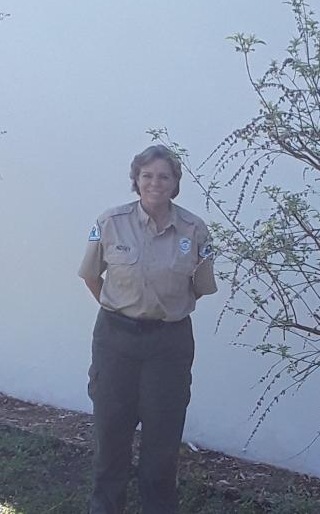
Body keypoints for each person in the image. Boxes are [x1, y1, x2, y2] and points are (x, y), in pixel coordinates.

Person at [78, 144, 217, 514]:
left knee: (162, 442)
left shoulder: (195, 229)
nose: (155, 183)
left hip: (168, 344)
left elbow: (200, 287)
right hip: (115, 340)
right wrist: (124, 311)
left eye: (164, 176)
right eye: (148, 175)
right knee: (111, 437)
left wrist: (161, 311)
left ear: (175, 184)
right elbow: (92, 276)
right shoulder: (109, 223)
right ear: (136, 180)